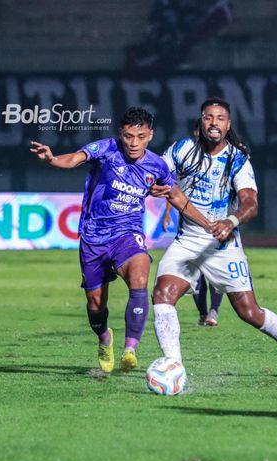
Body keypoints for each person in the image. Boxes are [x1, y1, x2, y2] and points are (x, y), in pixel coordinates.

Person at [30, 107, 212, 374]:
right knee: (95, 304)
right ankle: (105, 339)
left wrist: (208, 225)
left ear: (150, 135)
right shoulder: (106, 149)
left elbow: (175, 195)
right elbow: (74, 160)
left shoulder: (156, 165)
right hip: (93, 237)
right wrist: (51, 159)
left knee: (139, 277)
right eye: (128, 136)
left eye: (140, 136)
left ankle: (130, 349)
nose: (133, 143)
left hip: (127, 234)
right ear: (121, 134)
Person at [150, 97, 277, 378]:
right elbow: (156, 172)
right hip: (187, 241)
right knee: (162, 295)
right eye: (208, 117)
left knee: (249, 312)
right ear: (201, 122)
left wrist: (230, 221)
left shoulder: (237, 159)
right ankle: (174, 366)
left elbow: (251, 203)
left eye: (220, 118)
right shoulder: (182, 149)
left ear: (228, 125)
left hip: (222, 245)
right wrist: (156, 185)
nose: (213, 123)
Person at [161, 202, 224, 326]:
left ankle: (213, 311)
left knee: (214, 275)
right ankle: (204, 314)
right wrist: (167, 212)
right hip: (191, 234)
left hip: (214, 232)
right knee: (196, 277)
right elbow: (173, 191)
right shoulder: (187, 183)